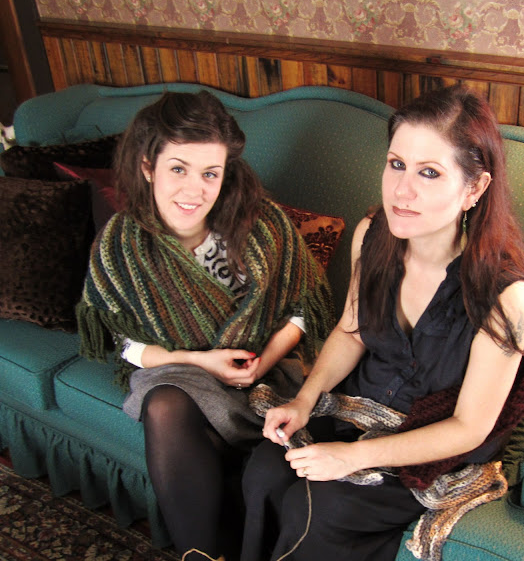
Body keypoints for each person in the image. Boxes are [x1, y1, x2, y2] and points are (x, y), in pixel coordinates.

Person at [241, 84, 524, 561]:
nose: (402, 190)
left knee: (320, 507)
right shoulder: (372, 236)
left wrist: (352, 457)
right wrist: (304, 401)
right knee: (264, 469)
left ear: (474, 189)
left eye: (429, 172)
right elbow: (350, 331)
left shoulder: (505, 294)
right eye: (396, 164)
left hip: (427, 446)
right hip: (355, 409)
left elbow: (469, 427)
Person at [75, 90, 335, 561]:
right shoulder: (121, 244)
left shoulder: (264, 224)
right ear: (148, 166)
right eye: (178, 169)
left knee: (215, 441)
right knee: (165, 405)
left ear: (224, 173)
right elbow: (124, 341)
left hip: (267, 374)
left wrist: (263, 362)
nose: (194, 191)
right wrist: (199, 361)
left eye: (209, 173)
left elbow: (303, 308)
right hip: (180, 372)